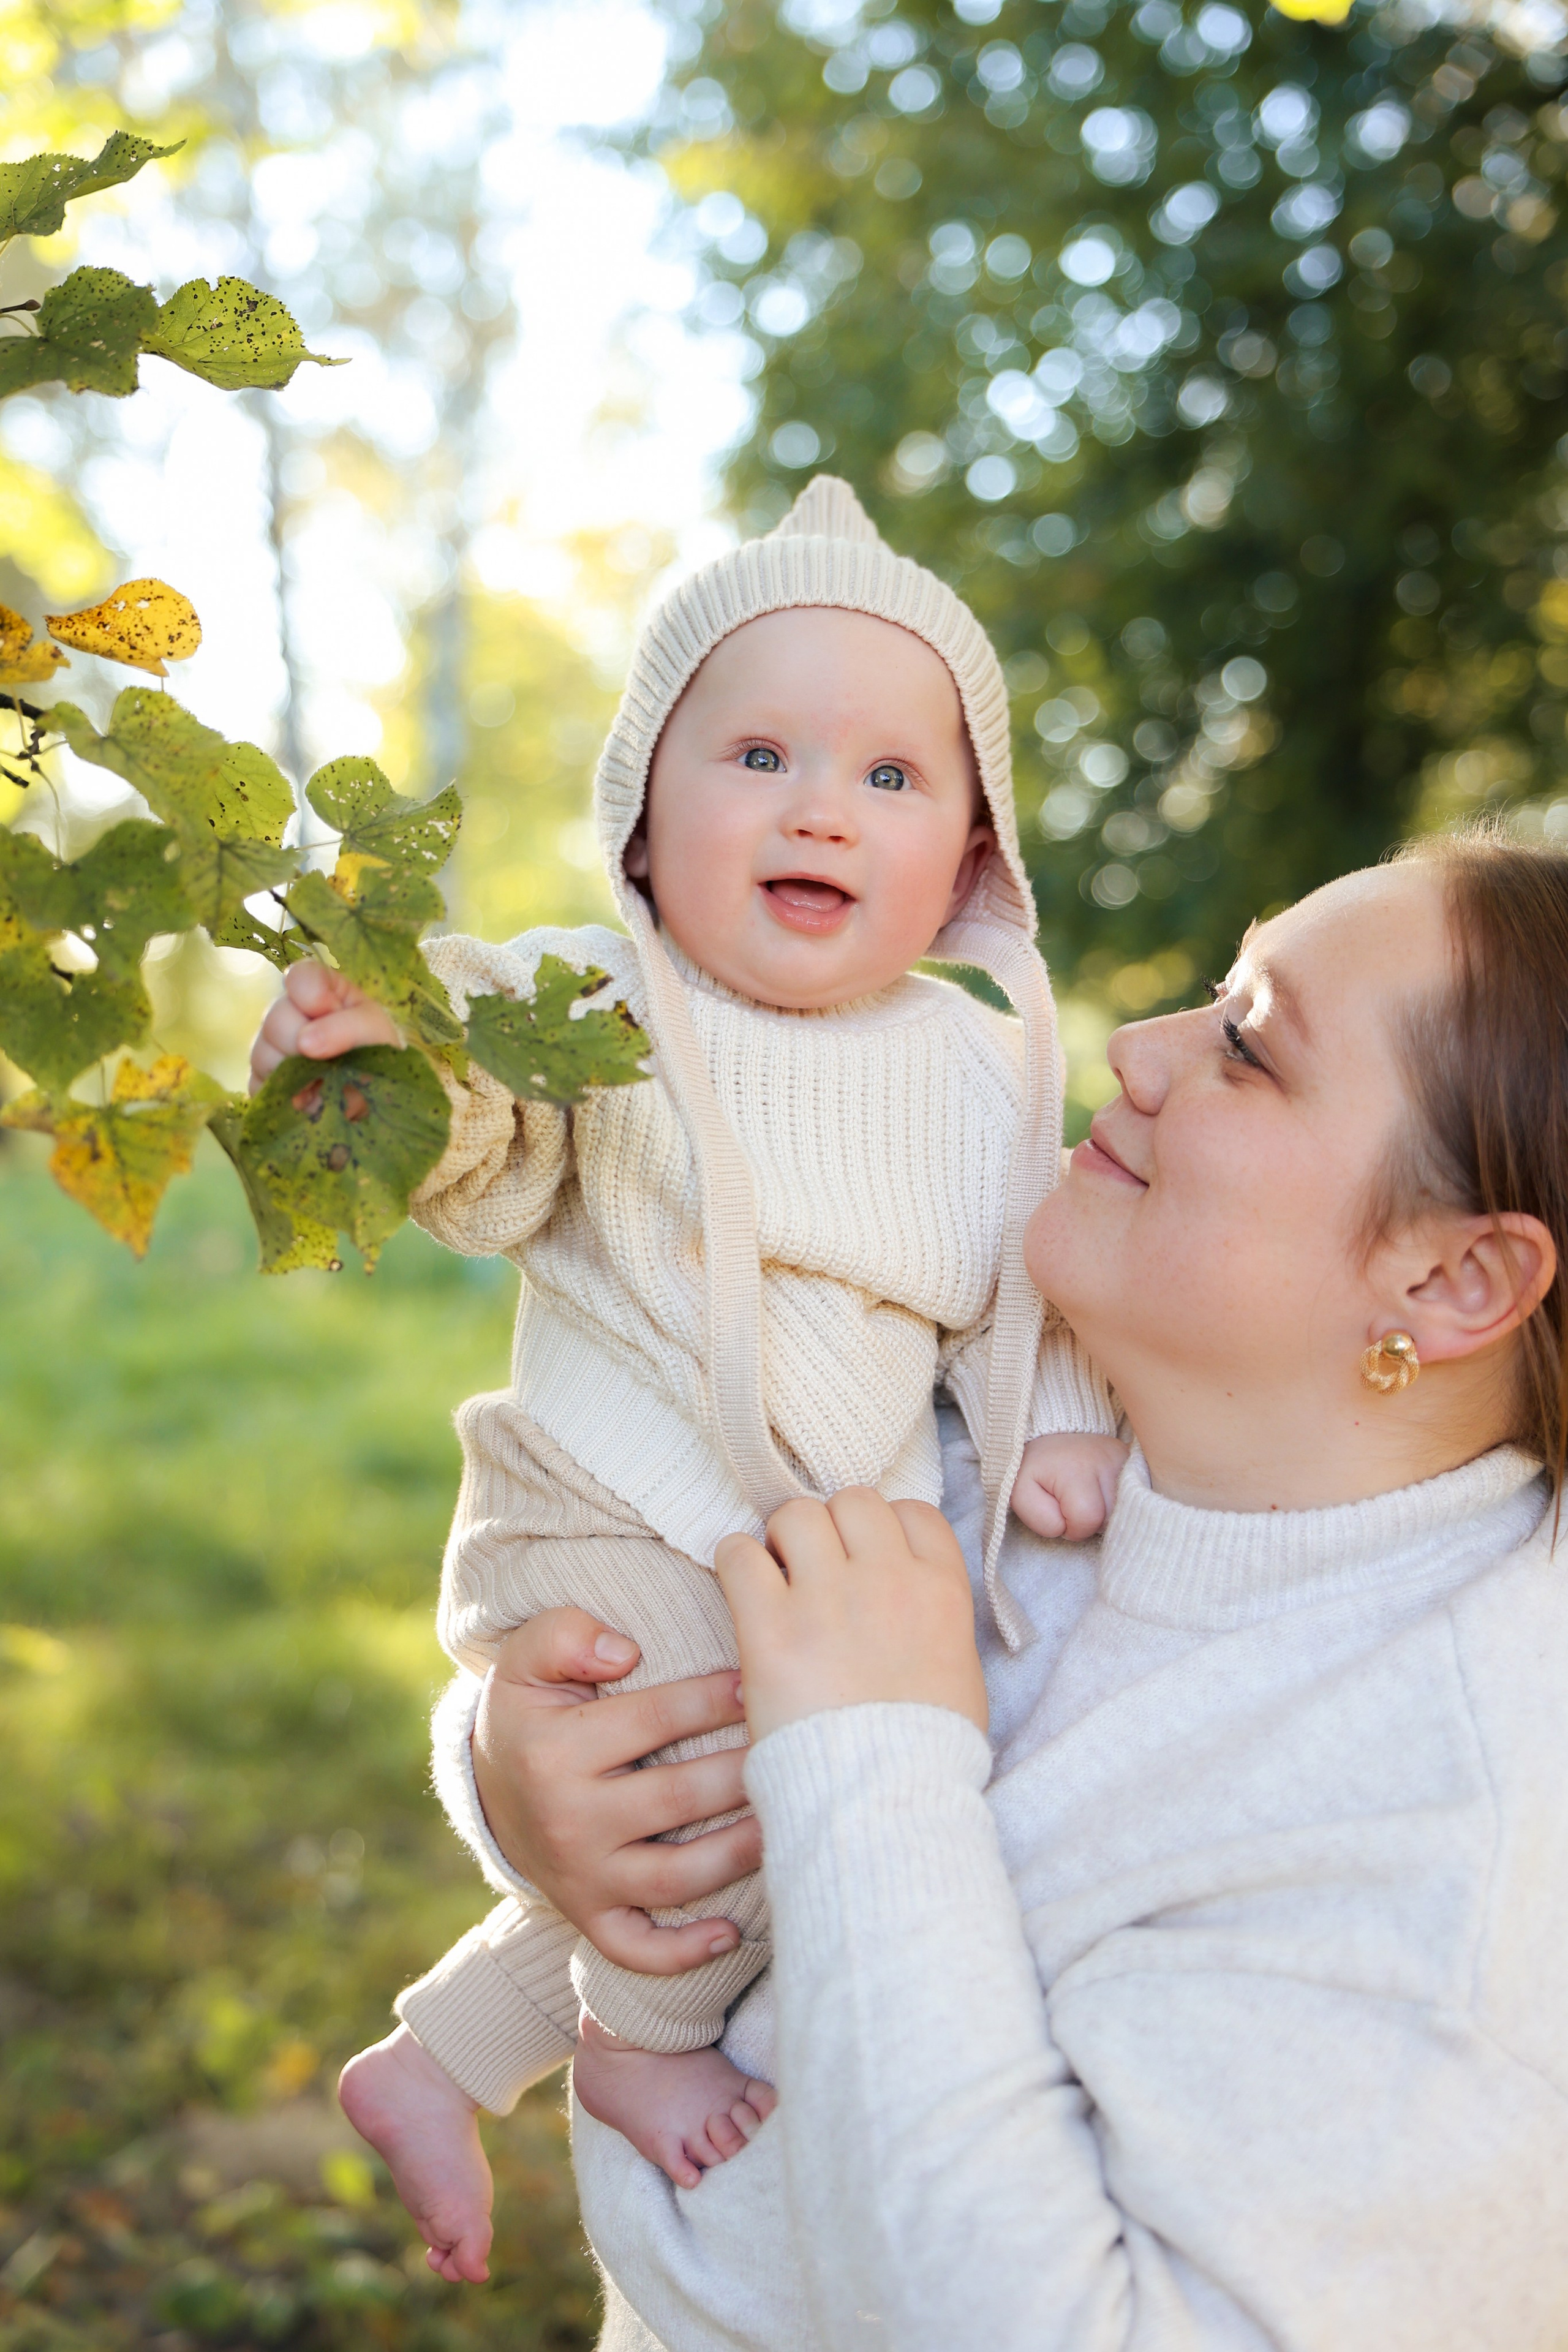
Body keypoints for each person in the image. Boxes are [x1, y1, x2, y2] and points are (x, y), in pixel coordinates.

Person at [448, 829, 1568, 2350]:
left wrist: (870, 1757)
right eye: (1213, 990)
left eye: (1247, 1045)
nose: (1138, 1048)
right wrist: (521, 1782)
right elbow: (621, 1589)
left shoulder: (1468, 1852)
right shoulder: (1006, 1413)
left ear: (1451, 1283)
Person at [249, 477, 1127, 2279]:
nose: (822, 804)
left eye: (893, 778)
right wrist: (379, 1045)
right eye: (757, 757)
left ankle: (439, 2056)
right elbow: (486, 1135)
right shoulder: (596, 997)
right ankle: (629, 2053)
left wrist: (1059, 1418)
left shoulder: (974, 1082)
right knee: (709, 1792)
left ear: (969, 860)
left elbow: (1022, 1288)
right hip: (604, 1493)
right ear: (644, 816)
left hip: (797, 1548)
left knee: (727, 1804)